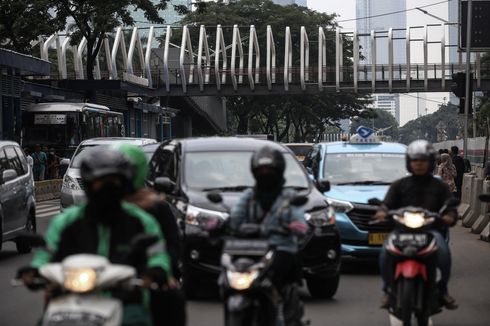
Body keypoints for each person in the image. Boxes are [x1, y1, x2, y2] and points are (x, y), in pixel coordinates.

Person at [18, 147, 173, 323]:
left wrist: (156, 271)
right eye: (101, 181)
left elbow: (158, 256)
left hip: (126, 303)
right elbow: (46, 254)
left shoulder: (142, 222)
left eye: (114, 181)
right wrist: (35, 271)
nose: (107, 187)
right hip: (69, 301)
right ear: (90, 183)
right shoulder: (65, 223)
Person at [375, 140, 458, 310]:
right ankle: (387, 290)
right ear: (409, 163)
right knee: (384, 253)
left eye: (422, 160)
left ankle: (442, 291)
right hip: (402, 231)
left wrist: (449, 216)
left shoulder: (440, 186)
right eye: (415, 160)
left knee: (443, 253)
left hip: (431, 231)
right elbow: (387, 204)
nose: (418, 164)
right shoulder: (399, 184)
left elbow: (450, 205)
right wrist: (382, 212)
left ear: (429, 162)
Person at [229, 146, 308, 324]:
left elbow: (300, 222)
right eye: (261, 170)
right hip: (250, 249)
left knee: (277, 280)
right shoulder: (249, 196)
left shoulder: (289, 197)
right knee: (227, 276)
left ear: (278, 171)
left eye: (269, 170)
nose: (265, 174)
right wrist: (217, 225)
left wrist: (294, 227)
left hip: (281, 249)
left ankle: (279, 313)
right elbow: (234, 218)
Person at [114, 143, 186, 326]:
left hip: (144, 275)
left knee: (171, 299)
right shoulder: (96, 208)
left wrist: (162, 271)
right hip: (102, 275)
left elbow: (170, 245)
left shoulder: (155, 207)